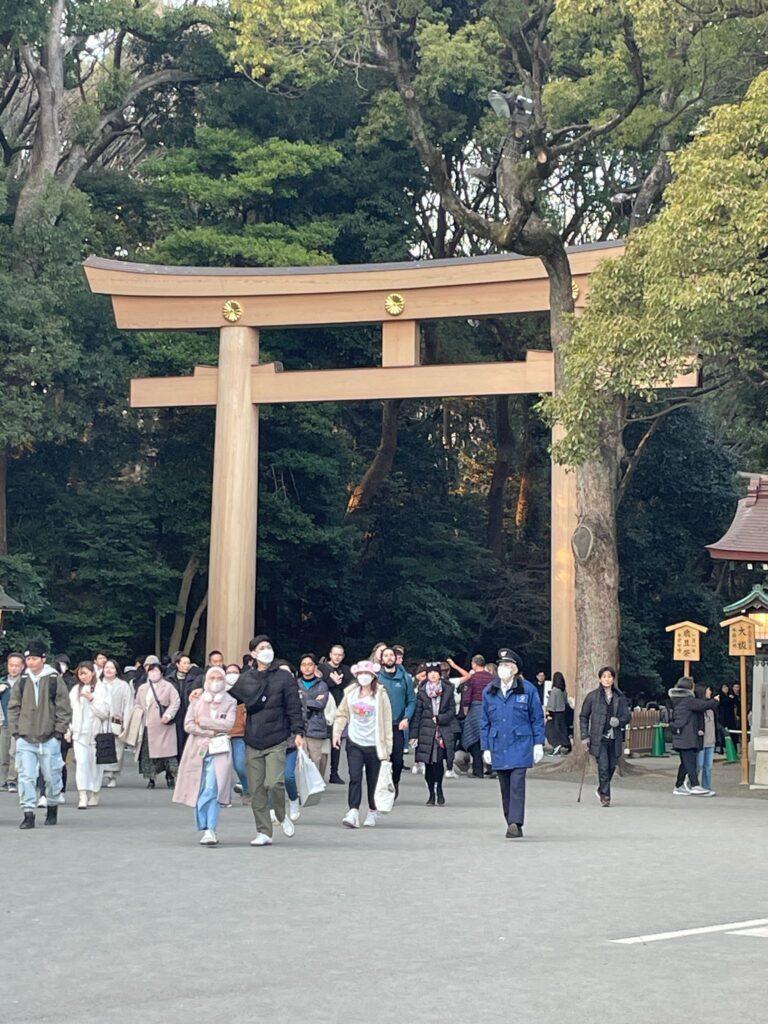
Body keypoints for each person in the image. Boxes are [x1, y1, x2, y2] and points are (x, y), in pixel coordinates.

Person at [228, 635, 305, 847]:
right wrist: (204, 693)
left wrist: (298, 731)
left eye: (269, 647)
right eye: (262, 648)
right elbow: (229, 698)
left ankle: (281, 814)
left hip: (277, 738)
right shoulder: (247, 678)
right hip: (252, 739)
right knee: (256, 789)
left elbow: (294, 706)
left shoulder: (284, 677)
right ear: (253, 653)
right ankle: (263, 831)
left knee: (275, 782)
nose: (266, 650)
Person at [481, 648, 545, 839]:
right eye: (501, 665)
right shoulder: (489, 691)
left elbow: (537, 718)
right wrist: (485, 747)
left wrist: (538, 743)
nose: (503, 669)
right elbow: (484, 721)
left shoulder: (527, 690)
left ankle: (515, 823)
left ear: (515, 669)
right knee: (505, 784)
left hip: (521, 744)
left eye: (507, 665)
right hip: (499, 744)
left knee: (517, 783)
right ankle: (510, 819)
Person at [7, 639, 71, 829]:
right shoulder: (23, 680)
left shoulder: (53, 679)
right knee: (26, 776)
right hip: (25, 737)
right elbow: (13, 707)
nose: (31, 663)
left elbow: (63, 707)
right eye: (29, 659)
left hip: (49, 737)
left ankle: (52, 805)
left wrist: (59, 731)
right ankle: (28, 812)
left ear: (43, 659)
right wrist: (16, 731)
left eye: (35, 659)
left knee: (51, 776)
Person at [173, 666, 237, 846]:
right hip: (198, 749)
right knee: (199, 788)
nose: (215, 681)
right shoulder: (198, 701)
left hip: (220, 750)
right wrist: (210, 731)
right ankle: (203, 823)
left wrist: (205, 723)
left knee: (213, 788)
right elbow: (189, 724)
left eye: (219, 678)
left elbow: (229, 724)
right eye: (212, 678)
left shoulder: (230, 701)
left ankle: (211, 828)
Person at [333, 660, 393, 829]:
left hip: (375, 743)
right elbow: (341, 714)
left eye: (367, 674)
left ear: (373, 676)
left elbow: (387, 722)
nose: (363, 677)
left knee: (373, 779)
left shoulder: (381, 695)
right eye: (360, 674)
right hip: (355, 741)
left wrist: (387, 748)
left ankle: (373, 811)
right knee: (355, 776)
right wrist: (337, 733)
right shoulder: (350, 693)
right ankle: (353, 811)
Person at [579, 667, 631, 807]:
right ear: (600, 679)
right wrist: (585, 735)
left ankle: (601, 789)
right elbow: (584, 716)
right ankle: (606, 796)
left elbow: (627, 716)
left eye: (609, 677)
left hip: (614, 737)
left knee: (612, 766)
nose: (607, 679)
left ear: (613, 679)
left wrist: (619, 721)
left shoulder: (619, 697)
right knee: (603, 766)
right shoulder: (592, 696)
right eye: (604, 677)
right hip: (598, 737)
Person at [410, 662, 458, 805]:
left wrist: (440, 718)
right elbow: (417, 714)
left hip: (442, 731)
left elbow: (452, 711)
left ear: (439, 674)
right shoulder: (422, 691)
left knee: (438, 762)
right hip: (425, 731)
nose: (432, 675)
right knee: (428, 765)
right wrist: (413, 735)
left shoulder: (448, 689)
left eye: (435, 672)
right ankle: (431, 792)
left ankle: (439, 788)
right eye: (430, 672)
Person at [668, 677, 719, 796]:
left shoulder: (677, 699)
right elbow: (703, 705)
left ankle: (679, 785)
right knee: (690, 762)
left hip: (681, 735)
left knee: (685, 763)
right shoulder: (688, 700)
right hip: (686, 736)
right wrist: (715, 700)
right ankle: (695, 785)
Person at [66, 661, 107, 808]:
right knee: (82, 763)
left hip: (96, 734)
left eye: (86, 673)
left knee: (95, 765)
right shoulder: (75, 690)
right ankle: (82, 795)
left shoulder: (101, 689)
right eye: (80, 674)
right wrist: (69, 730)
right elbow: (70, 712)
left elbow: (105, 713)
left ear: (93, 673)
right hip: (79, 734)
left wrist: (92, 699)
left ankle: (95, 792)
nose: (83, 677)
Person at [135, 661, 181, 789]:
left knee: (167, 754)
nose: (153, 674)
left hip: (163, 725)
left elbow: (175, 702)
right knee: (148, 754)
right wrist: (138, 713)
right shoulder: (143, 688)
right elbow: (137, 703)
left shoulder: (168, 687)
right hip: (147, 725)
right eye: (150, 671)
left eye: (155, 671)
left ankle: (170, 776)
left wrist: (168, 715)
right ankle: (151, 778)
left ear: (161, 673)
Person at [377, 646, 416, 797]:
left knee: (397, 760)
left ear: (396, 658)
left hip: (398, 724)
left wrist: (406, 717)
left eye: (391, 655)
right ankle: (381, 787)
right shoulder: (377, 678)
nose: (388, 658)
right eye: (385, 656)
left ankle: (395, 783)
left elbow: (411, 700)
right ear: (381, 659)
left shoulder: (405, 677)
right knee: (381, 758)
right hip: (381, 726)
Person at [93, 658, 134, 787]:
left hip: (116, 720)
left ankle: (112, 776)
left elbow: (128, 705)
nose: (109, 670)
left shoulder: (123, 685)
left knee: (117, 748)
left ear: (116, 670)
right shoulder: (97, 684)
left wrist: (126, 723)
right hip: (99, 721)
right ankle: (99, 775)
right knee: (99, 747)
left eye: (112, 668)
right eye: (106, 668)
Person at [320, 643, 353, 784]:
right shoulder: (322, 669)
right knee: (321, 741)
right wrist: (331, 682)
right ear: (330, 655)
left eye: (340, 655)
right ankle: (318, 772)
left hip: (340, 710)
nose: (337, 657)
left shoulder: (346, 670)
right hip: (323, 710)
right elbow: (318, 686)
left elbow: (350, 687)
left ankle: (334, 772)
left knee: (337, 741)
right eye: (335, 654)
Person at [461, 655, 494, 778]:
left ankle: (477, 770)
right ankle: (493, 768)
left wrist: (466, 711)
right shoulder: (492, 677)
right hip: (490, 709)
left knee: (474, 740)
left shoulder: (472, 678)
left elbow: (467, 697)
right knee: (489, 738)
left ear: (474, 664)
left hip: (475, 709)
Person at [296, 653, 330, 773]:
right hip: (298, 726)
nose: (307, 667)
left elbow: (321, 704)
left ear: (315, 666)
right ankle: (301, 789)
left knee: (315, 761)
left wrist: (302, 700)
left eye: (310, 664)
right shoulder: (295, 684)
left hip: (316, 727)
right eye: (304, 665)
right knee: (299, 762)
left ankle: (313, 788)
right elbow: (293, 703)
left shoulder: (322, 685)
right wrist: (312, 701)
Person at [0, 652, 24, 792]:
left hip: (20, 723)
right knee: (3, 752)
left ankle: (12, 779)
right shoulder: (3, 682)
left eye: (17, 666)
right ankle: (2, 780)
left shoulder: (25, 682)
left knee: (14, 752)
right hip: (4, 722)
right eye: (11, 665)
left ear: (22, 667)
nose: (14, 668)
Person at [696, 684, 717, 795]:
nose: (710, 693)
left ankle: (706, 787)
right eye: (709, 690)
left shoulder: (712, 709)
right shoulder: (698, 708)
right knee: (699, 765)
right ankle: (693, 783)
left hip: (711, 740)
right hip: (701, 741)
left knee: (708, 766)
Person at [546, 671, 571, 755]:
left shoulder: (554, 690)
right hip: (562, 713)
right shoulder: (563, 690)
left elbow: (552, 705)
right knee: (562, 730)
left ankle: (556, 745)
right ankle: (567, 745)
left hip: (554, 713)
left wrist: (548, 715)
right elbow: (565, 702)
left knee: (550, 730)